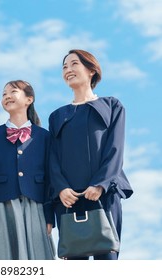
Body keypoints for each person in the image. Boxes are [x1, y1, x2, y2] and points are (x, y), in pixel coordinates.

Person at [49, 49, 134, 260]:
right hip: (69, 200)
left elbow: (116, 149)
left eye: (74, 64)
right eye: (64, 67)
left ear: (91, 70)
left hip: (104, 195)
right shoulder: (57, 116)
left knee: (106, 262)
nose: (68, 69)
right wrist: (61, 188)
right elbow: (52, 158)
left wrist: (100, 184)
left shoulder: (112, 105)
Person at [0, 80, 55, 260]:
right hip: (1, 206)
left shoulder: (44, 136)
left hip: (36, 205)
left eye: (13, 92)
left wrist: (50, 215)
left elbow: (51, 179)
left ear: (29, 99)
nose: (7, 96)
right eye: (4, 94)